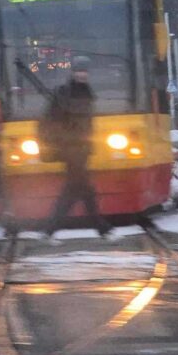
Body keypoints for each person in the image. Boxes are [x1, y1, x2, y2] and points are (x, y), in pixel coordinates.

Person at [44, 56, 114, 240]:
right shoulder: (65, 93)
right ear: (72, 72)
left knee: (75, 188)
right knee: (82, 187)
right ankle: (100, 226)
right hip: (70, 149)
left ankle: (51, 227)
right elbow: (53, 121)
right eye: (78, 71)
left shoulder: (86, 92)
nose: (82, 74)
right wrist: (65, 140)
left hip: (82, 149)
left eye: (85, 71)